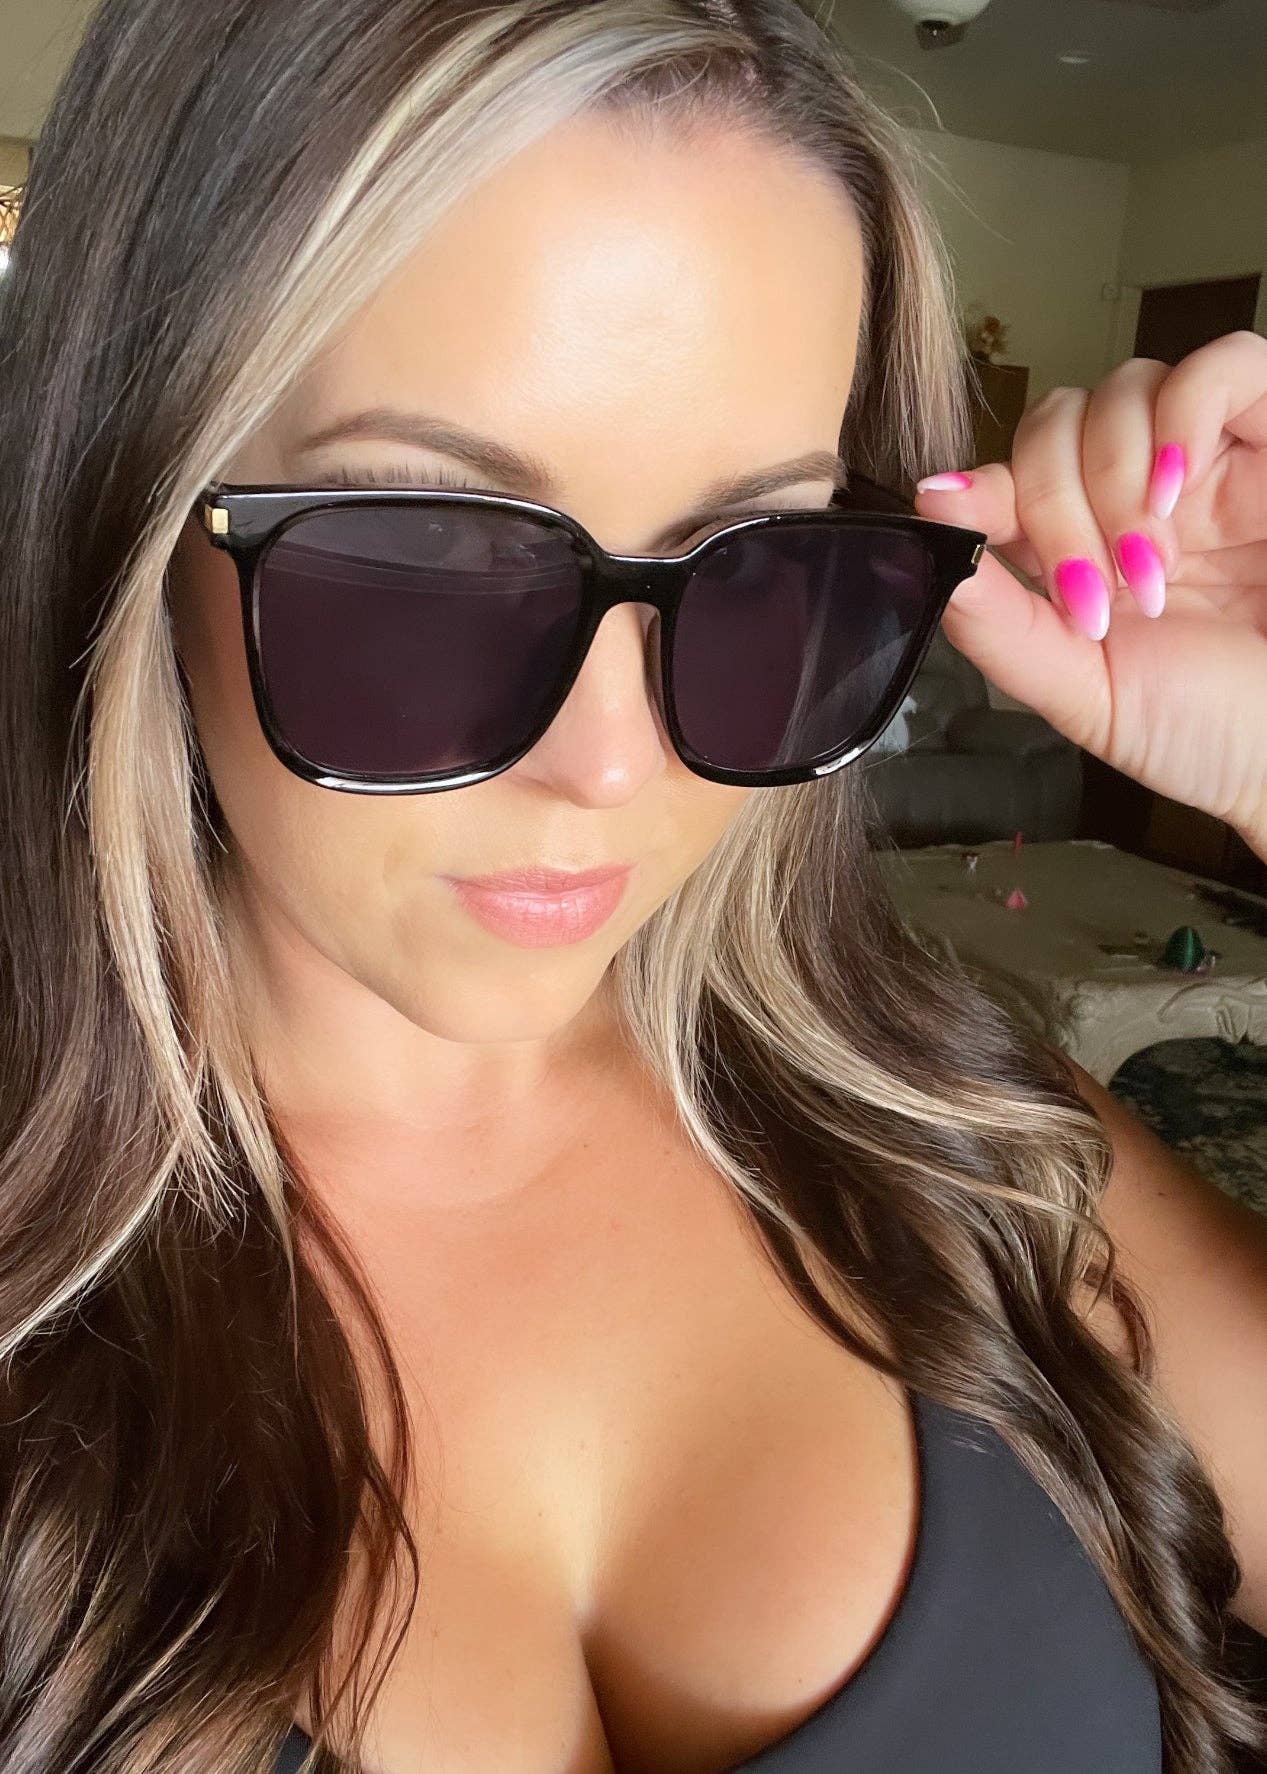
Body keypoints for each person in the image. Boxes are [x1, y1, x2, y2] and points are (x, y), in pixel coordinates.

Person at [0, 2, 1263, 1772]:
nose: (613, 762)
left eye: (754, 564)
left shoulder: (955, 1128)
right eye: (429, 558)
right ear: (121, 510)